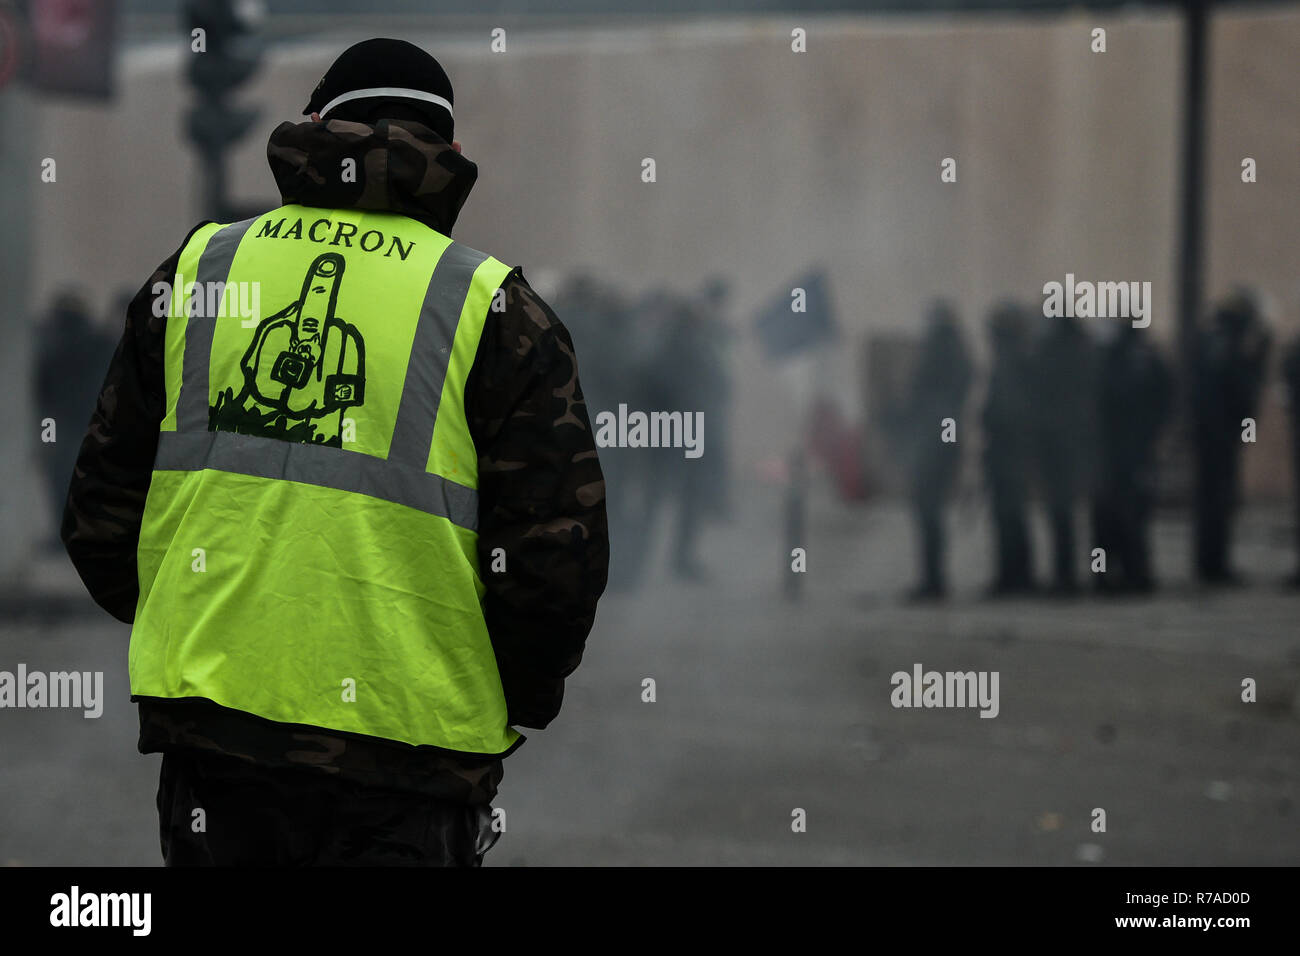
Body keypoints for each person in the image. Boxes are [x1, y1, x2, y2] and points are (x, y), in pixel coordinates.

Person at [62, 38, 609, 867]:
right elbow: (554, 558)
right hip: (412, 762)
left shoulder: (204, 268)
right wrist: (509, 693)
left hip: (219, 742)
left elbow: (102, 511)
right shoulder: (494, 309)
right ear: (450, 153)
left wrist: (203, 621)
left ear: (314, 126)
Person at [893, 300, 973, 599]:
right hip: (941, 441)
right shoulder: (958, 357)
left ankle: (934, 581)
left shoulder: (940, 356)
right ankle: (934, 578)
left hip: (933, 443)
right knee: (931, 513)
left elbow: (926, 406)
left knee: (928, 512)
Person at [1192, 290, 1270, 584]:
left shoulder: (1213, 338)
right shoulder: (1229, 343)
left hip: (1215, 436)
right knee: (1218, 503)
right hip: (1221, 437)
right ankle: (1213, 566)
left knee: (1213, 503)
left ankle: (1209, 564)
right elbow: (1243, 393)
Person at [1092, 320, 1172, 594]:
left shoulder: (1112, 361)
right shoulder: (1148, 359)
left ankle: (1114, 577)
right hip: (1128, 452)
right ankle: (1131, 575)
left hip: (1116, 453)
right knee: (1128, 518)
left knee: (1114, 520)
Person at [34, 290, 114, 551]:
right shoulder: (99, 343)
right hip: (85, 424)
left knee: (62, 481)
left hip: (65, 427)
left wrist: (47, 438)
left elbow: (44, 395)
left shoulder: (55, 345)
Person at [1029, 311, 1096, 595]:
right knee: (1064, 514)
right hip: (1072, 445)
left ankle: (1065, 577)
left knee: (1060, 514)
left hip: (1059, 446)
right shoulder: (1083, 351)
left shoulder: (1050, 353)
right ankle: (1067, 575)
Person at [981, 302, 1036, 596]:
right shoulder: (1013, 359)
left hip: (1009, 453)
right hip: (1008, 453)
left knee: (1011, 517)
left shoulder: (1011, 361)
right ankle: (1012, 577)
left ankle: (1016, 578)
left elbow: (1008, 410)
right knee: (1008, 518)